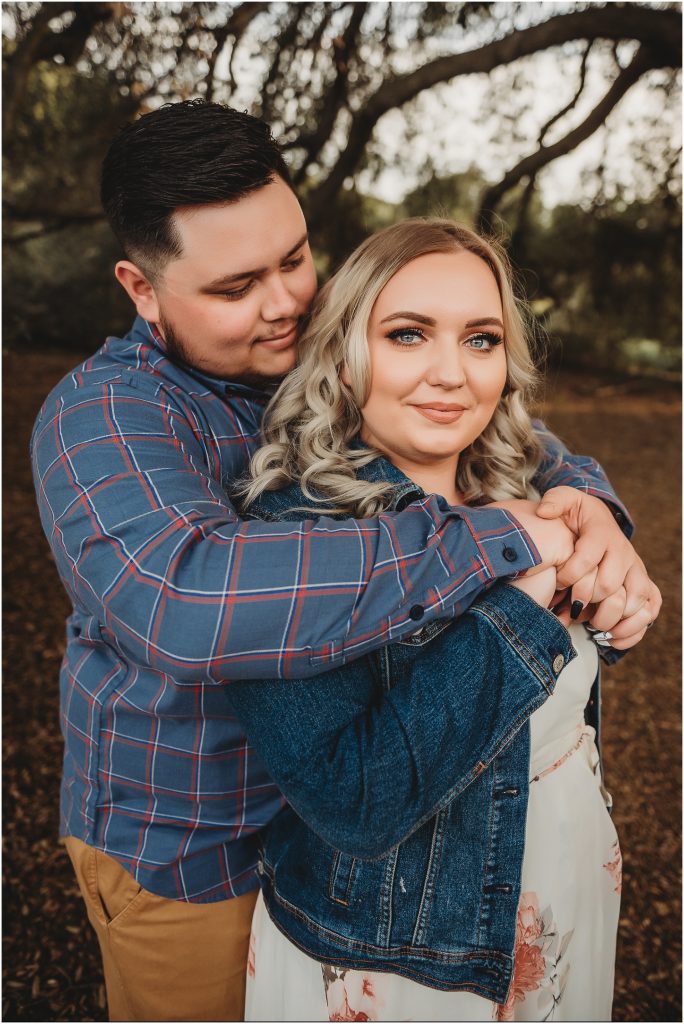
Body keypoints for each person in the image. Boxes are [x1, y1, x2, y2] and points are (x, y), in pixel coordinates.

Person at [30, 100, 658, 1022]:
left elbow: (503, 432)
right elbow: (188, 604)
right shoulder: (104, 418)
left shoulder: (309, 346)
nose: (285, 301)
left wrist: (589, 507)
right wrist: (509, 537)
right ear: (141, 288)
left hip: (368, 855)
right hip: (201, 844)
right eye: (237, 285)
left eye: (293, 259)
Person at [229, 219, 656, 1021]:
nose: (450, 373)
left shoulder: (528, 489)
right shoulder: (291, 536)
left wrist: (610, 596)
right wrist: (529, 600)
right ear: (345, 352)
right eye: (408, 334)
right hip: (395, 953)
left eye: (482, 339)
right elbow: (352, 803)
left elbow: (556, 700)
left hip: (560, 879)